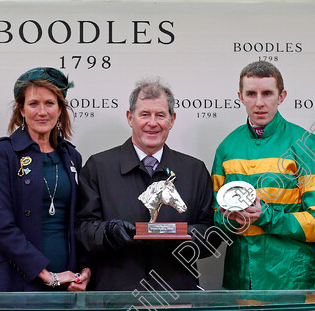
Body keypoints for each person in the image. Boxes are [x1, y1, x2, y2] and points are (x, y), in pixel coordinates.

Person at [75, 78, 215, 291]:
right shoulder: (98, 167)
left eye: (160, 115)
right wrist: (110, 232)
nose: (152, 123)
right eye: (144, 114)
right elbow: (81, 229)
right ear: (130, 118)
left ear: (172, 119)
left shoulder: (194, 171)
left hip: (177, 296)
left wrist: (189, 236)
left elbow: (211, 236)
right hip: (114, 296)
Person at [211, 61, 315, 290]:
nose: (259, 103)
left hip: (292, 284)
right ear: (240, 96)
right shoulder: (227, 148)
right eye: (251, 94)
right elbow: (216, 220)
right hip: (239, 282)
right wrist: (227, 218)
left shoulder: (307, 145)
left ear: (282, 96)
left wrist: (265, 215)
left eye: (267, 93)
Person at [0, 68, 89, 291]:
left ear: (60, 109)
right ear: (21, 109)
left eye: (49, 103)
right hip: (12, 280)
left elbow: (79, 221)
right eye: (33, 103)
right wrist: (46, 274)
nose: (42, 111)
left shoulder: (72, 156)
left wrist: (85, 269)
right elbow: (1, 225)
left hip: (67, 281)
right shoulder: (2, 153)